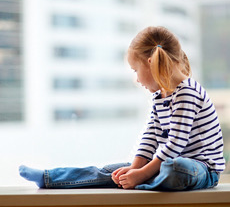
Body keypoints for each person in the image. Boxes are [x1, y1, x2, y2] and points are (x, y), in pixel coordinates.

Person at [19, 26, 225, 191]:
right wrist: (135, 168)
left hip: (202, 170)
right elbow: (151, 136)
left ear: (152, 63)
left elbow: (175, 144)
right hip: (163, 163)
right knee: (112, 171)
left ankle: (141, 182)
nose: (136, 79)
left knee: (174, 168)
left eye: (136, 70)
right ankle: (50, 178)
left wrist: (143, 173)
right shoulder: (159, 96)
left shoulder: (187, 92)